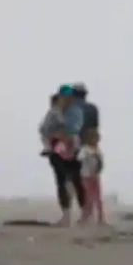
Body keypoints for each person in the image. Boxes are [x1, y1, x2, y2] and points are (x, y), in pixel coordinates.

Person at [46, 85, 87, 226]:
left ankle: (84, 215)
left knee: (77, 182)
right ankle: (66, 216)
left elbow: (74, 129)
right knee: (61, 181)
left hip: (73, 148)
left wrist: (60, 134)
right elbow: (45, 129)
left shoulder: (76, 111)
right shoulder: (54, 111)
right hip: (57, 148)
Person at [77, 127, 106, 225]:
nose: (96, 140)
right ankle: (85, 218)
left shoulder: (97, 150)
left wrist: (99, 166)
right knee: (88, 197)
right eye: (94, 138)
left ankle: (100, 218)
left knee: (98, 198)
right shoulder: (85, 149)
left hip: (95, 176)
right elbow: (80, 158)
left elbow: (101, 162)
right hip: (86, 176)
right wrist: (92, 156)